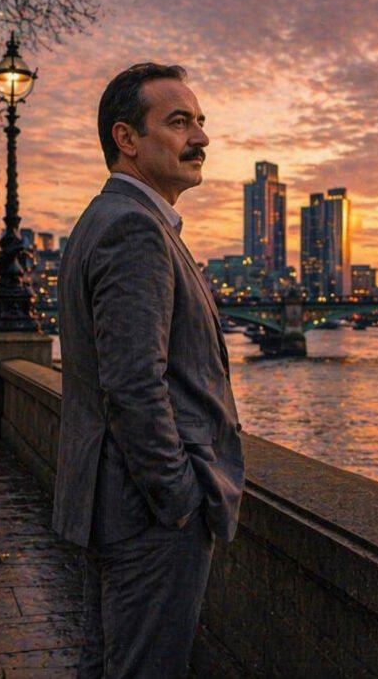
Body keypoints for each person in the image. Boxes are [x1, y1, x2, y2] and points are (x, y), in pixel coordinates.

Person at [53, 63, 244, 678]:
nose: (201, 138)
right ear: (126, 139)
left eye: (200, 122)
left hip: (114, 502)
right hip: (146, 515)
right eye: (179, 121)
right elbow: (133, 385)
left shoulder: (105, 221)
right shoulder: (134, 229)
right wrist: (179, 496)